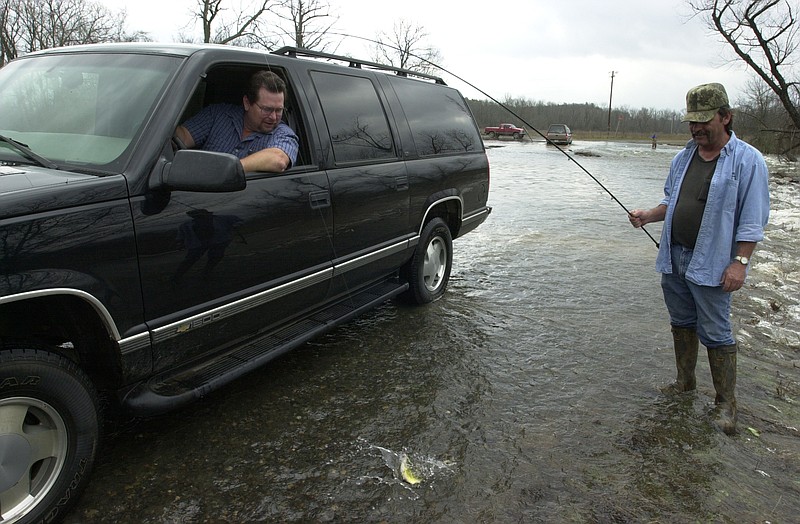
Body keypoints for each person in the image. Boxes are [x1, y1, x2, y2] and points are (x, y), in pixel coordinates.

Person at [628, 82, 770, 435]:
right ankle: (685, 383)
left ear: (725, 117)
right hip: (673, 258)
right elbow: (671, 202)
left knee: (717, 331)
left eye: (703, 121)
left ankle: (726, 404)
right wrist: (648, 214)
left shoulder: (748, 160)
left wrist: (740, 263)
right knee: (682, 323)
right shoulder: (682, 157)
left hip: (713, 263)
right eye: (691, 121)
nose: (696, 128)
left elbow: (753, 220)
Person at [175, 70, 299, 172]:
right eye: (267, 109)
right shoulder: (217, 115)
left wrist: (227, 170)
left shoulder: (283, 133)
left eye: (278, 110)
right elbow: (181, 137)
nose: (273, 117)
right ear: (247, 103)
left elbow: (278, 159)